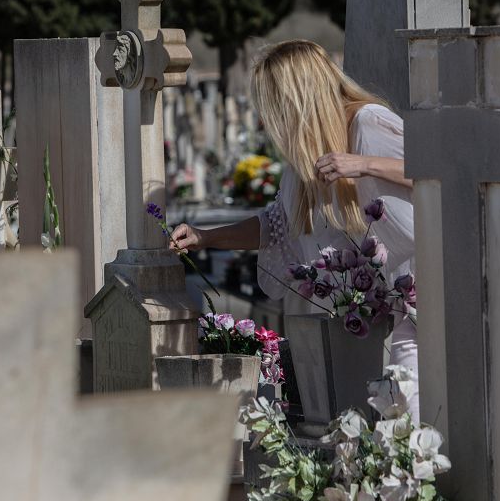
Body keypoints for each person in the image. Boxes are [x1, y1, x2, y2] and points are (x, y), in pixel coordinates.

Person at [169, 39, 418, 419]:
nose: (266, 123)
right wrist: (207, 237)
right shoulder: (304, 164)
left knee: (412, 423)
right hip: (399, 313)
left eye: (273, 108)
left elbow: (438, 177)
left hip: (433, 301)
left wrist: (365, 164)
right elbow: (277, 225)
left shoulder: (367, 123)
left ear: (298, 99)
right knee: (402, 424)